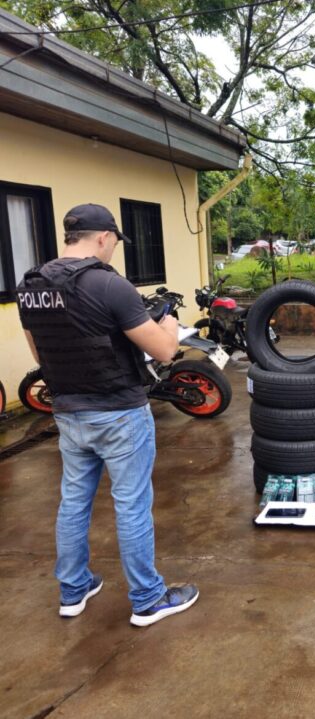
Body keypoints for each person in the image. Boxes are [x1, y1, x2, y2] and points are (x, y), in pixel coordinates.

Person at [16, 203, 199, 626]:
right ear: (102, 237)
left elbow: (40, 355)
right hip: (119, 414)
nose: (114, 249)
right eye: (115, 241)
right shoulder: (109, 286)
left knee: (73, 502)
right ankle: (148, 599)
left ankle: (74, 590)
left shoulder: (31, 286)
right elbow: (165, 351)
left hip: (68, 413)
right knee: (132, 505)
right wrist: (169, 323)